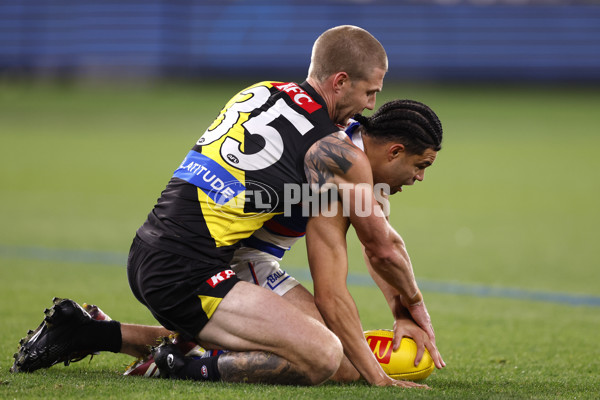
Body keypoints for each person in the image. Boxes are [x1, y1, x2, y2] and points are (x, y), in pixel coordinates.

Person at [11, 25, 443, 387]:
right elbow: (375, 247)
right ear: (340, 81)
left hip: (161, 248)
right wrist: (399, 338)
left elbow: (376, 236)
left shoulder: (263, 91)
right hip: (187, 272)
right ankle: (178, 364)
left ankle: (93, 333)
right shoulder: (333, 153)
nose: (370, 107)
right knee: (329, 357)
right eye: (370, 92)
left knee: (332, 352)